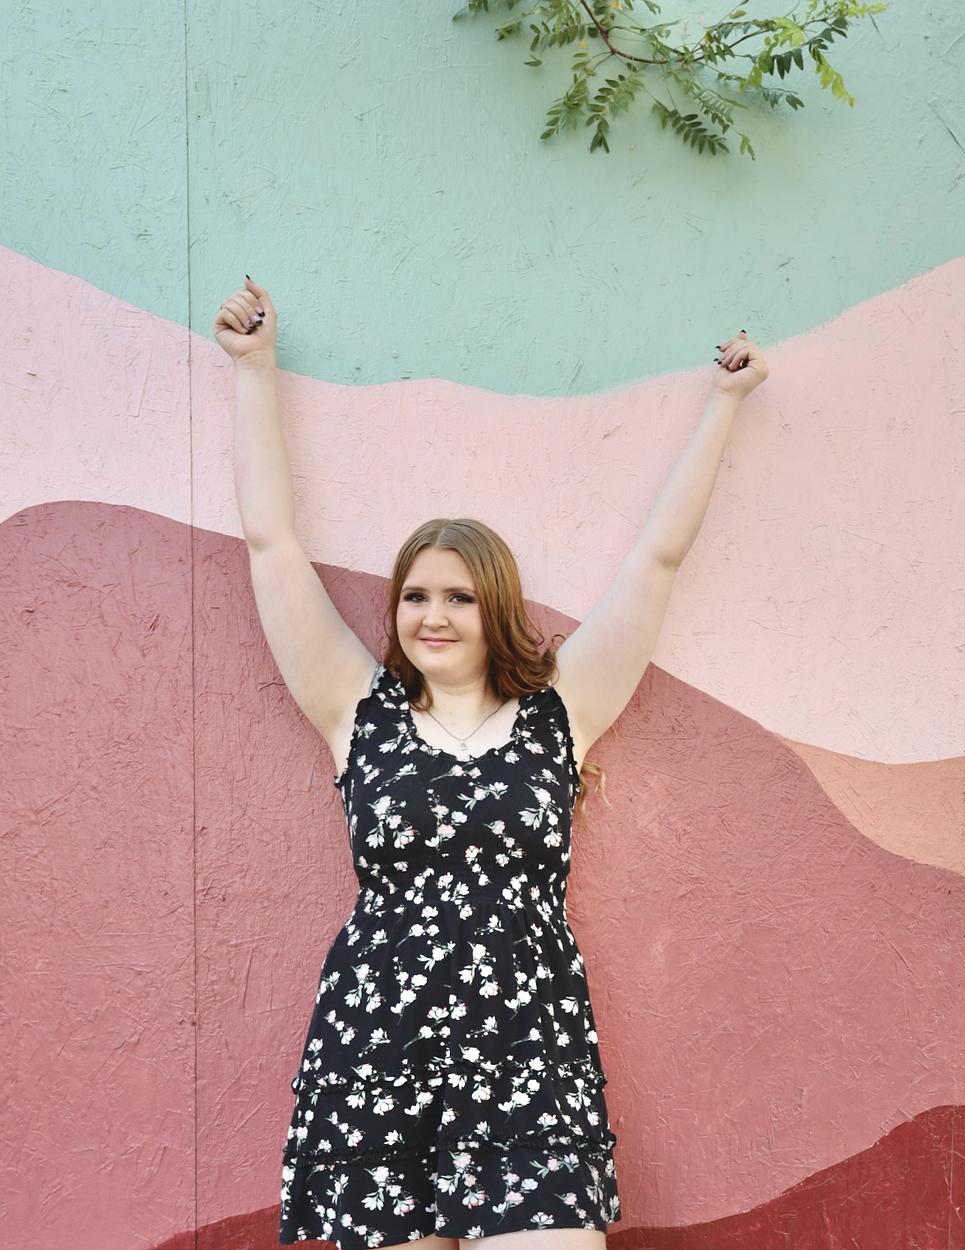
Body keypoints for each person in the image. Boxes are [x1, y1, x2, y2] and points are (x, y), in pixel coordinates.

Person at [213, 277, 769, 1250]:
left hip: (527, 1048)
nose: (432, 615)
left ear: (496, 606)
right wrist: (253, 370)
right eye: (415, 595)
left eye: (460, 597)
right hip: (380, 1045)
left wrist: (725, 403)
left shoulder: (561, 711)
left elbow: (656, 563)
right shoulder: (355, 710)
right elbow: (271, 545)